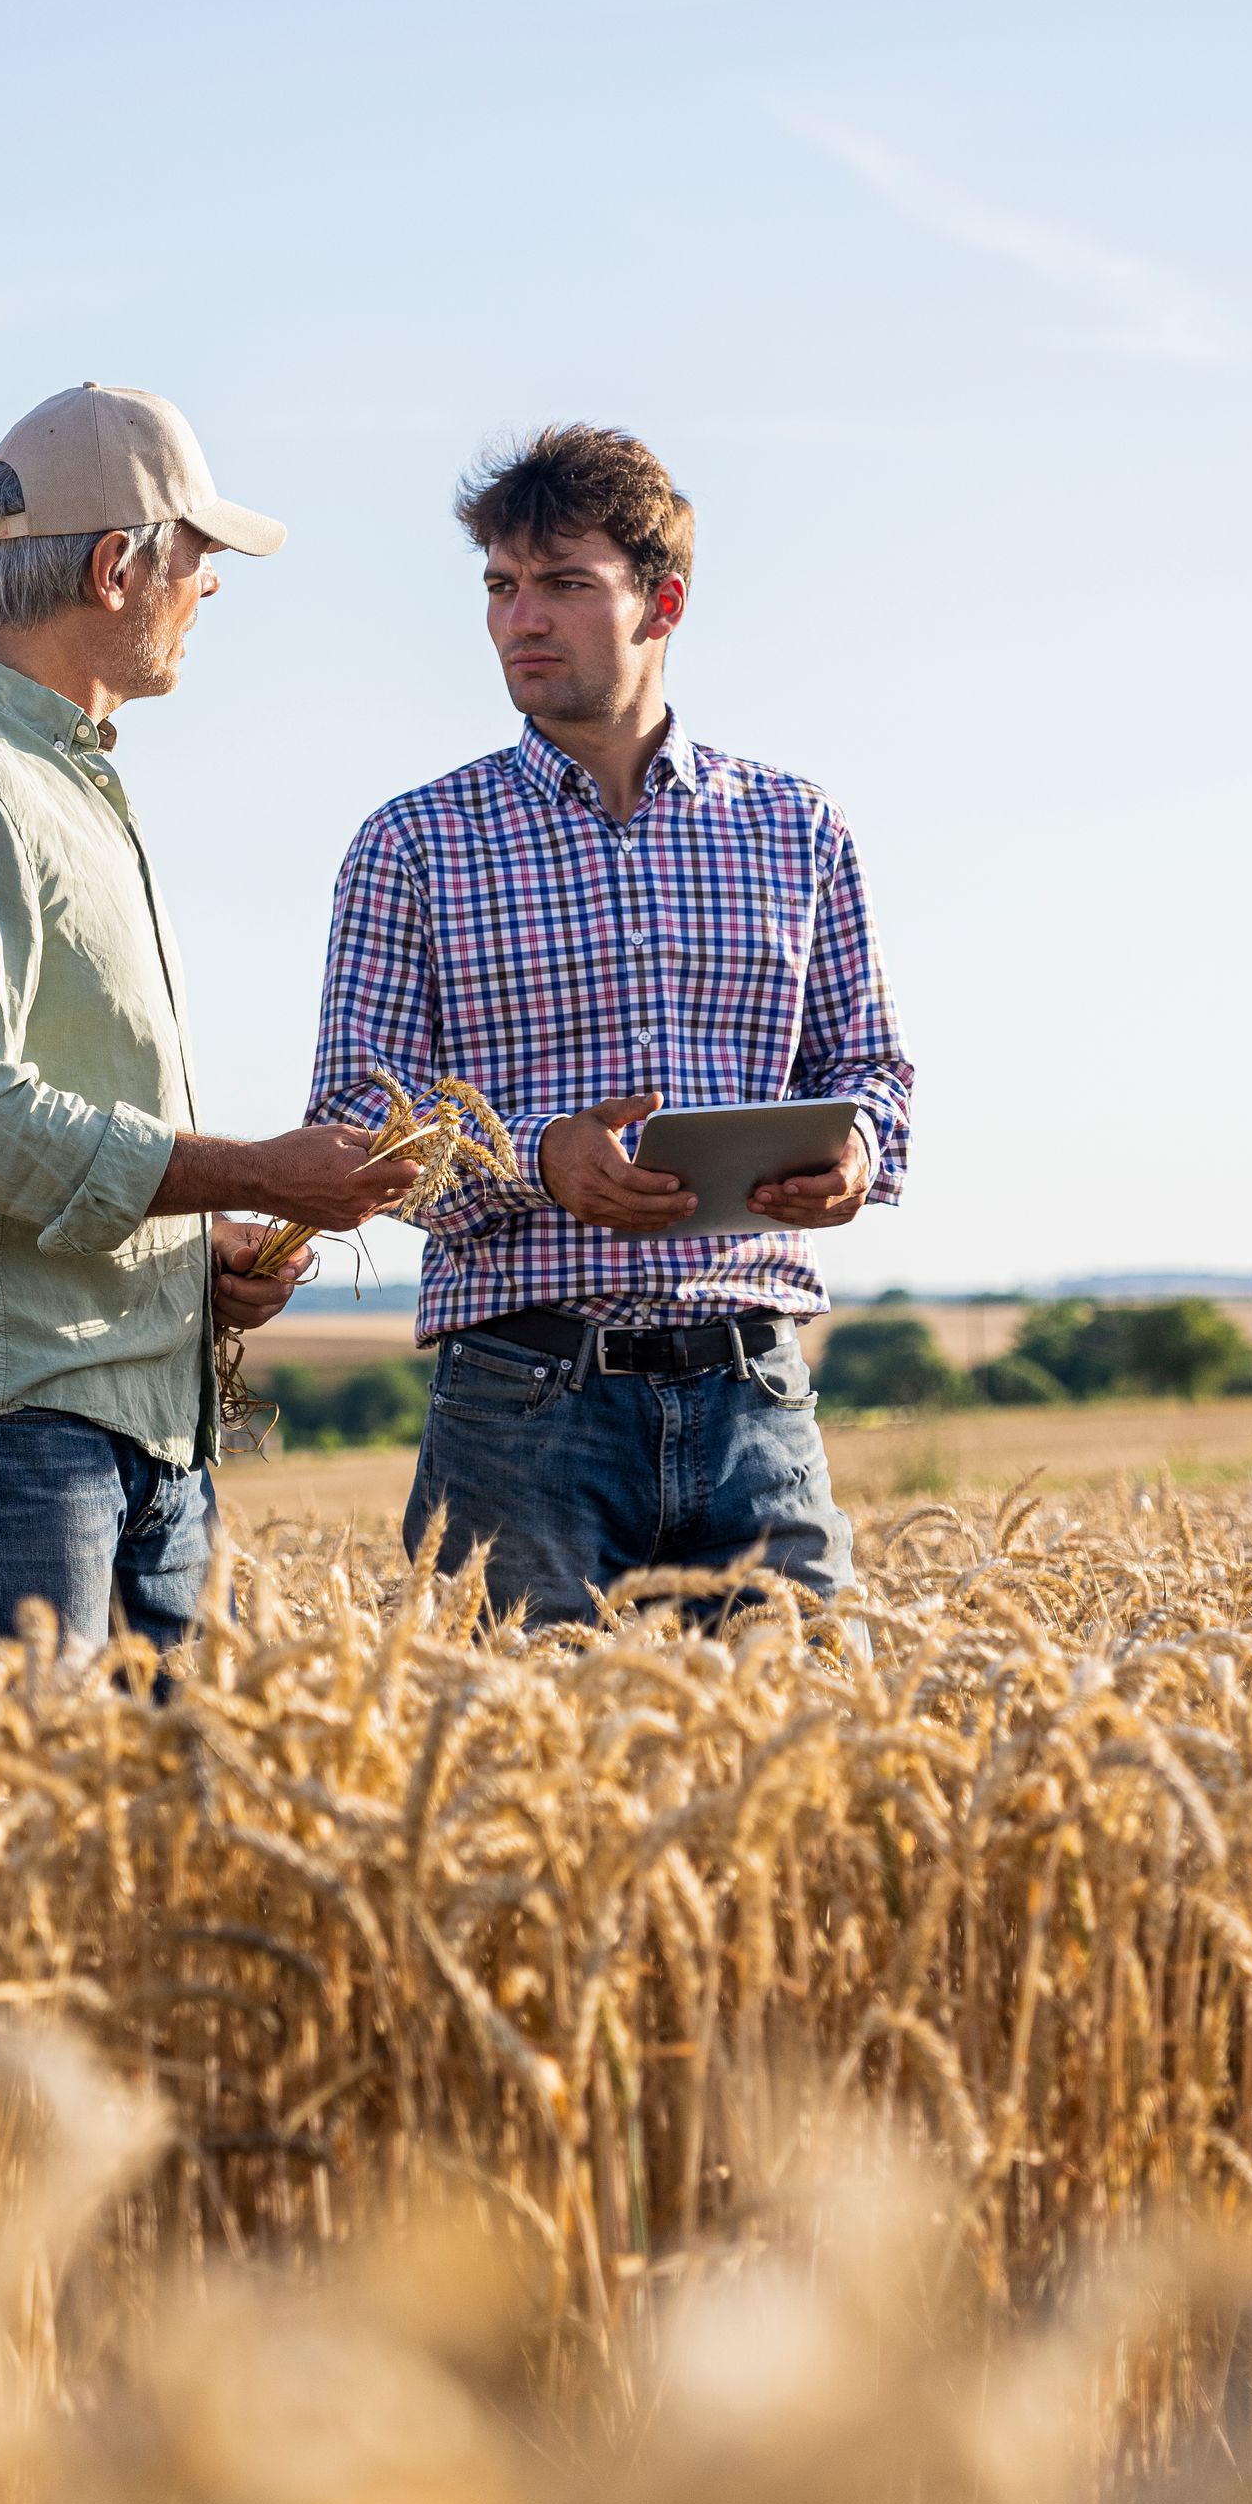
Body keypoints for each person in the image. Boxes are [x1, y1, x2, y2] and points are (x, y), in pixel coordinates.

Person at [0, 379, 428, 1655]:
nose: (208, 592)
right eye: (196, 562)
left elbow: (32, 1131)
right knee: (30, 1844)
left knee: (142, 1849)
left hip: (115, 1427)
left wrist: (187, 1267)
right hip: (2, 1434)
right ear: (115, 570)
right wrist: (255, 1173)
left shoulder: (45, 782)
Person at [306, 423, 911, 1627]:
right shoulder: (413, 844)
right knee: (512, 1798)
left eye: (565, 584)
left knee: (809, 1782)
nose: (520, 618)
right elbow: (355, 1127)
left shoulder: (800, 827)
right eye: (500, 587)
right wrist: (540, 1160)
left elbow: (872, 1069)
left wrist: (858, 1156)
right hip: (519, 1412)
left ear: (663, 601)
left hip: (756, 1396)